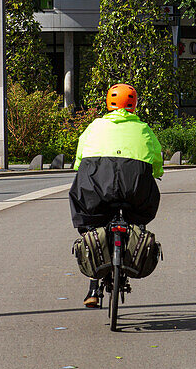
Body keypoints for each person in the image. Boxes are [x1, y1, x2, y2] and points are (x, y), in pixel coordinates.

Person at [69, 83, 163, 307]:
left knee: (92, 222)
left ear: (108, 104)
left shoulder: (94, 126)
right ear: (134, 104)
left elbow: (80, 159)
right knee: (137, 216)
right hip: (135, 190)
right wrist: (157, 172)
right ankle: (130, 250)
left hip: (97, 186)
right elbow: (157, 159)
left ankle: (93, 287)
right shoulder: (143, 128)